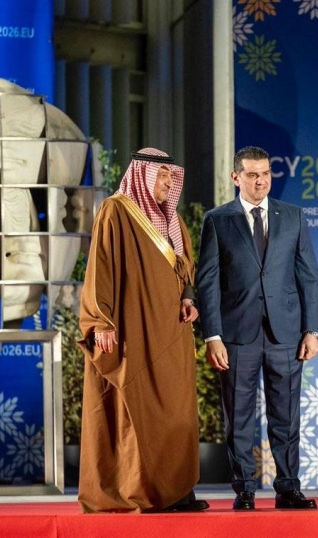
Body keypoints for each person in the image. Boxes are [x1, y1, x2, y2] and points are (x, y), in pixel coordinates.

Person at [78, 147, 208, 513]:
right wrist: (100, 320)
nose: (168, 182)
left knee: (175, 410)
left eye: (171, 176)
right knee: (137, 410)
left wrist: (188, 297)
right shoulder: (116, 211)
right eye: (161, 175)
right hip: (133, 332)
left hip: (172, 332)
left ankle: (177, 492)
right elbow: (100, 267)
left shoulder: (172, 219)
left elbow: (185, 268)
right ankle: (140, 491)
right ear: (143, 174)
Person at [196, 145, 318, 511]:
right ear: (236, 177)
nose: (261, 181)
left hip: (287, 335)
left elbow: (309, 277)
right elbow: (208, 282)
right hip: (236, 336)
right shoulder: (217, 220)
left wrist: (312, 330)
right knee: (238, 418)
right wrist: (213, 336)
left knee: (286, 416)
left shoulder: (294, 216)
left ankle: (288, 488)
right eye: (252, 175)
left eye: (266, 173)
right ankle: (245, 489)